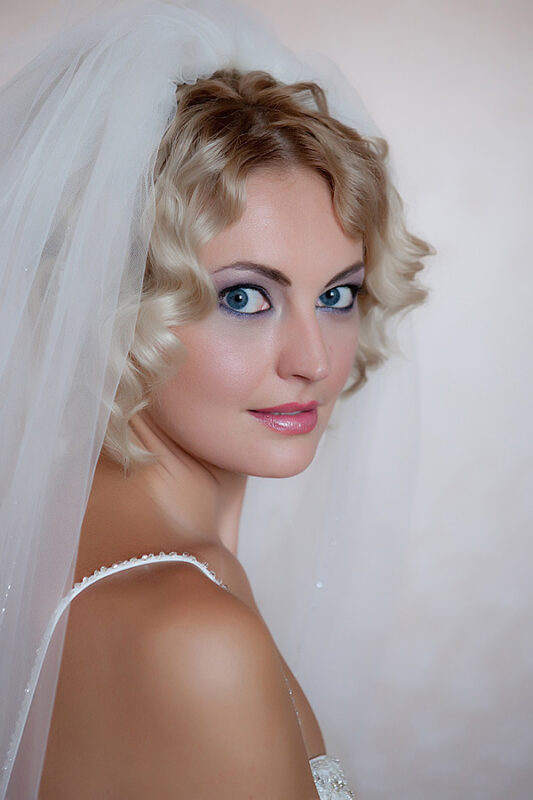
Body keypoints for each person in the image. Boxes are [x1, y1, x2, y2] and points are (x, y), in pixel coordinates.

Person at [0, 1, 432, 797]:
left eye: (337, 295)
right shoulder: (188, 635)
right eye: (243, 298)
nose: (313, 360)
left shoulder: (83, 551)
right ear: (111, 302)